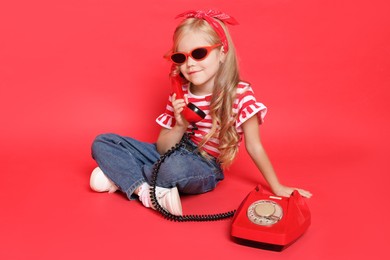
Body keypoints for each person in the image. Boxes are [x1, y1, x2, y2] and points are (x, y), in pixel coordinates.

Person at [90, 9, 312, 216]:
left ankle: (119, 176)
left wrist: (277, 186)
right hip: (172, 152)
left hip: (204, 165)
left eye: (199, 54)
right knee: (103, 142)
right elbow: (161, 148)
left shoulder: (240, 95)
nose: (190, 64)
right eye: (181, 57)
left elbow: (254, 146)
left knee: (172, 168)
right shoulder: (180, 94)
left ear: (222, 53)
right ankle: (144, 191)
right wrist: (179, 125)